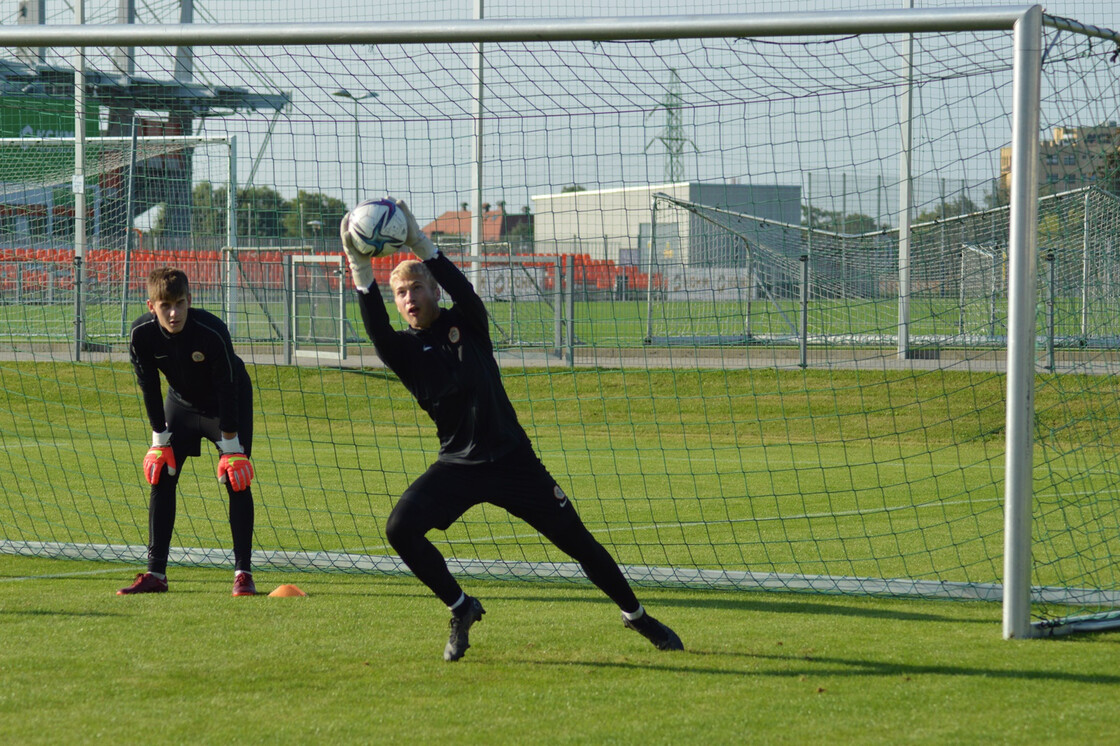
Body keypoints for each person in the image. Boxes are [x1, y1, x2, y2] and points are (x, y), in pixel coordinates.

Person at [342, 198, 683, 661]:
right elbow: (376, 328)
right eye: (400, 294)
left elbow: (464, 291)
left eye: (417, 288)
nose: (410, 298)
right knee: (400, 529)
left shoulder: (468, 323)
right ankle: (461, 607)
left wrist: (423, 244)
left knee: (580, 543)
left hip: (513, 462)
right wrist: (360, 266)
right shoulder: (401, 352)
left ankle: (638, 616)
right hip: (457, 466)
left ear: (432, 291)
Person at [118, 266, 257, 597]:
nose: (173, 312)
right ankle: (156, 574)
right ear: (151, 306)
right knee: (160, 474)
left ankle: (243, 573)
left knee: (236, 477)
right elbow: (149, 387)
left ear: (189, 301)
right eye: (165, 305)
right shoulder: (141, 335)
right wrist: (159, 441)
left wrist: (232, 446)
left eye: (180, 303)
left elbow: (227, 385)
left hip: (227, 404)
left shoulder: (211, 331)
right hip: (180, 404)